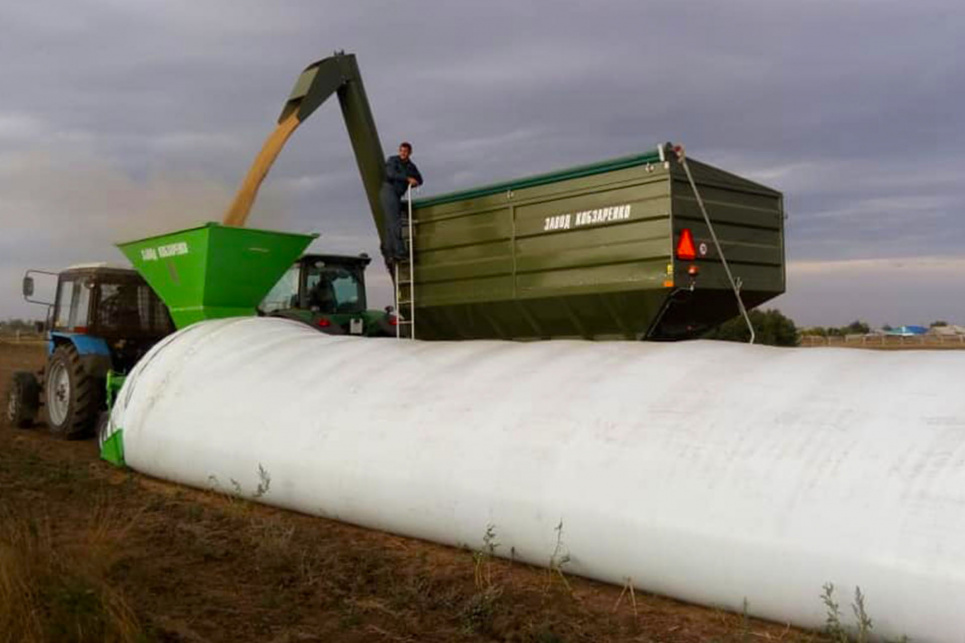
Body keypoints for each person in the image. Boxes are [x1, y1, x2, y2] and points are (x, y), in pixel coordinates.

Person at [380, 141, 423, 268]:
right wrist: (407, 179)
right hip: (389, 191)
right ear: (399, 151)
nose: (403, 153)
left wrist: (415, 182)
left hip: (398, 195)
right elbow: (390, 174)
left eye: (406, 151)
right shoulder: (393, 160)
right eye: (401, 151)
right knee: (395, 222)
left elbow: (420, 179)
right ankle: (400, 251)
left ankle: (389, 253)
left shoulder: (411, 166)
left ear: (410, 153)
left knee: (390, 225)